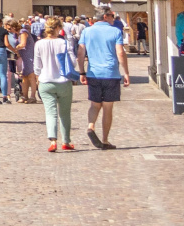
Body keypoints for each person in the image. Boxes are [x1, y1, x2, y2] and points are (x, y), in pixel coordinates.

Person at [78, 8, 128, 149]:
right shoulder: (115, 31)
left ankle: (90, 126)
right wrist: (126, 72)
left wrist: (82, 72)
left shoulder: (87, 31)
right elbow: (120, 53)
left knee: (94, 104)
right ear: (105, 16)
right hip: (110, 73)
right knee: (107, 107)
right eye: (112, 16)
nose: (114, 18)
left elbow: (80, 52)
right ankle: (105, 140)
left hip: (93, 73)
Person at [33, 17, 80, 150]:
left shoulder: (39, 44)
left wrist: (38, 79)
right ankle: (66, 141)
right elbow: (73, 62)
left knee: (50, 112)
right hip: (63, 81)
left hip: (45, 81)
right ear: (59, 28)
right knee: (64, 113)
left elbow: (37, 66)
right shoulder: (63, 43)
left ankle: (53, 141)